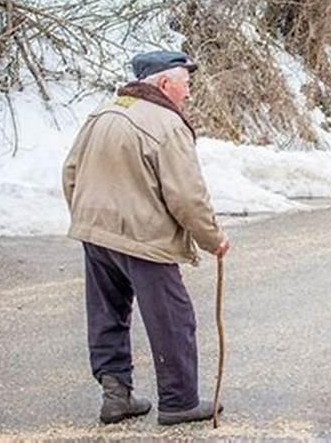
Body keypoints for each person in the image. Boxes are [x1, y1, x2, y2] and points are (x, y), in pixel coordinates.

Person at [62, 50, 230, 426]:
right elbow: (187, 195)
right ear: (165, 83)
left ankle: (115, 396)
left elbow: (70, 171)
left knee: (108, 314)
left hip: (96, 231)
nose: (188, 94)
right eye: (186, 85)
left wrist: (87, 216)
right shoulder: (166, 125)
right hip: (142, 237)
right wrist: (212, 238)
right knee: (173, 318)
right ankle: (179, 401)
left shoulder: (102, 114)